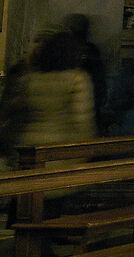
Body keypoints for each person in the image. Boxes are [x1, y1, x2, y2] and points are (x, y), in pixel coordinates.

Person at [4, 15, 102, 155]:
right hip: (59, 150)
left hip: (27, 147)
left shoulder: (29, 77)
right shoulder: (77, 79)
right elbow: (83, 122)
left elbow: (15, 114)